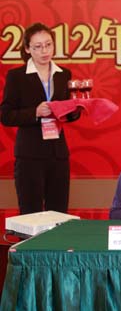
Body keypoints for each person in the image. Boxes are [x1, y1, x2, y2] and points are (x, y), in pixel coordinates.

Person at [1, 22, 80, 214]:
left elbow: (69, 115)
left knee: (58, 211)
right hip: (30, 154)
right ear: (28, 49)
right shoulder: (17, 76)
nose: (44, 51)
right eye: (38, 46)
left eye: (48, 45)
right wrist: (35, 113)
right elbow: (6, 115)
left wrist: (75, 108)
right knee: (30, 212)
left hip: (58, 153)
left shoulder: (63, 74)